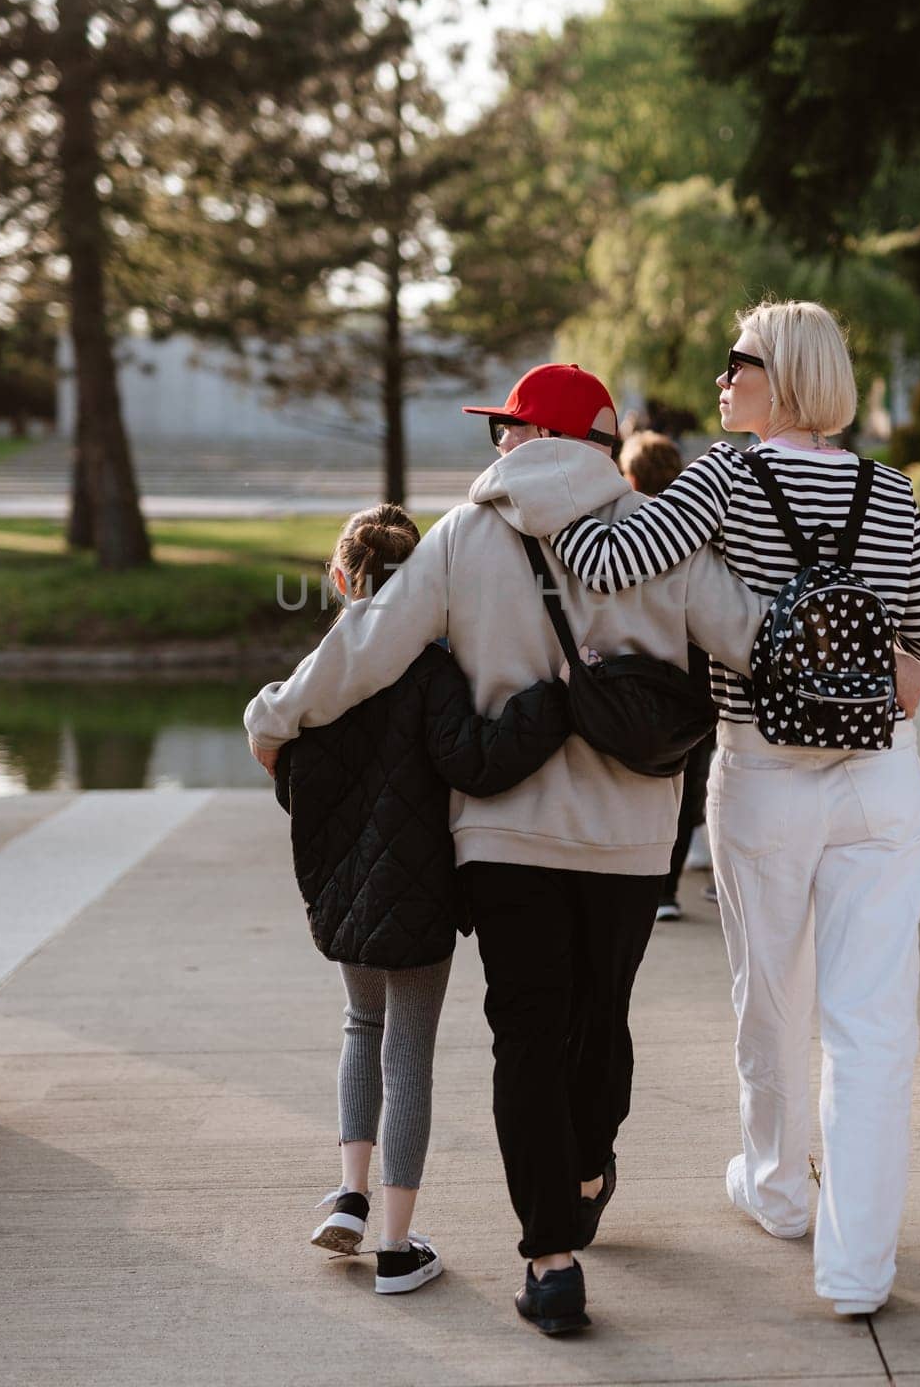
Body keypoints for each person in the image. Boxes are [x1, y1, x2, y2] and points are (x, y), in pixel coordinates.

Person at [245, 363, 769, 1336]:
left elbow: (364, 647)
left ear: (525, 439)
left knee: (524, 1034)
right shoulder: (659, 537)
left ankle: (550, 1258)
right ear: (603, 444)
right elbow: (751, 642)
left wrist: (272, 715)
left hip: (504, 836)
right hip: (628, 834)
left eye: (503, 430)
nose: (497, 446)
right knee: (597, 1018)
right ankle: (582, 1165)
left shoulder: (463, 537)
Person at [548, 301, 920, 1317]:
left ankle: (775, 1189)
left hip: (763, 776)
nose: (720, 377)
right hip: (879, 779)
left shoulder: (723, 479)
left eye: (739, 361)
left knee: (768, 1000)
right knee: (870, 1027)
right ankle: (855, 1271)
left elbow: (600, 563)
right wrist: (861, 696)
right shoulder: (886, 490)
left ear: (785, 376)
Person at [272, 503, 572, 1296]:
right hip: (420, 890)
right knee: (408, 1054)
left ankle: (350, 1191)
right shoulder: (434, 674)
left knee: (359, 1025)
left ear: (341, 579)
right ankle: (398, 1248)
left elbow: (292, 781)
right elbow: (475, 763)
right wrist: (548, 701)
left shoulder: (320, 678)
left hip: (340, 892)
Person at [618, 431, 716, 921]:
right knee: (690, 776)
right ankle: (667, 889)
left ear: (630, 477)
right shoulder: (694, 530)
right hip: (697, 676)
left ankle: (645, 878)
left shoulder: (627, 533)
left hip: (641, 673)